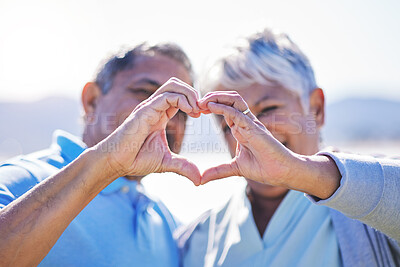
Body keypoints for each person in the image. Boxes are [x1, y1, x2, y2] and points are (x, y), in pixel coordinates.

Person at [178, 28, 400, 266]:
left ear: (316, 109)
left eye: (268, 110)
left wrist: (297, 171)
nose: (252, 131)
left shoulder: (372, 197)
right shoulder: (197, 239)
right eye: (229, 120)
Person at [0, 42, 203, 266]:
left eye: (182, 109)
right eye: (146, 93)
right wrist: (106, 165)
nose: (167, 114)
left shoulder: (167, 224)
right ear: (92, 100)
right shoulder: (21, 179)